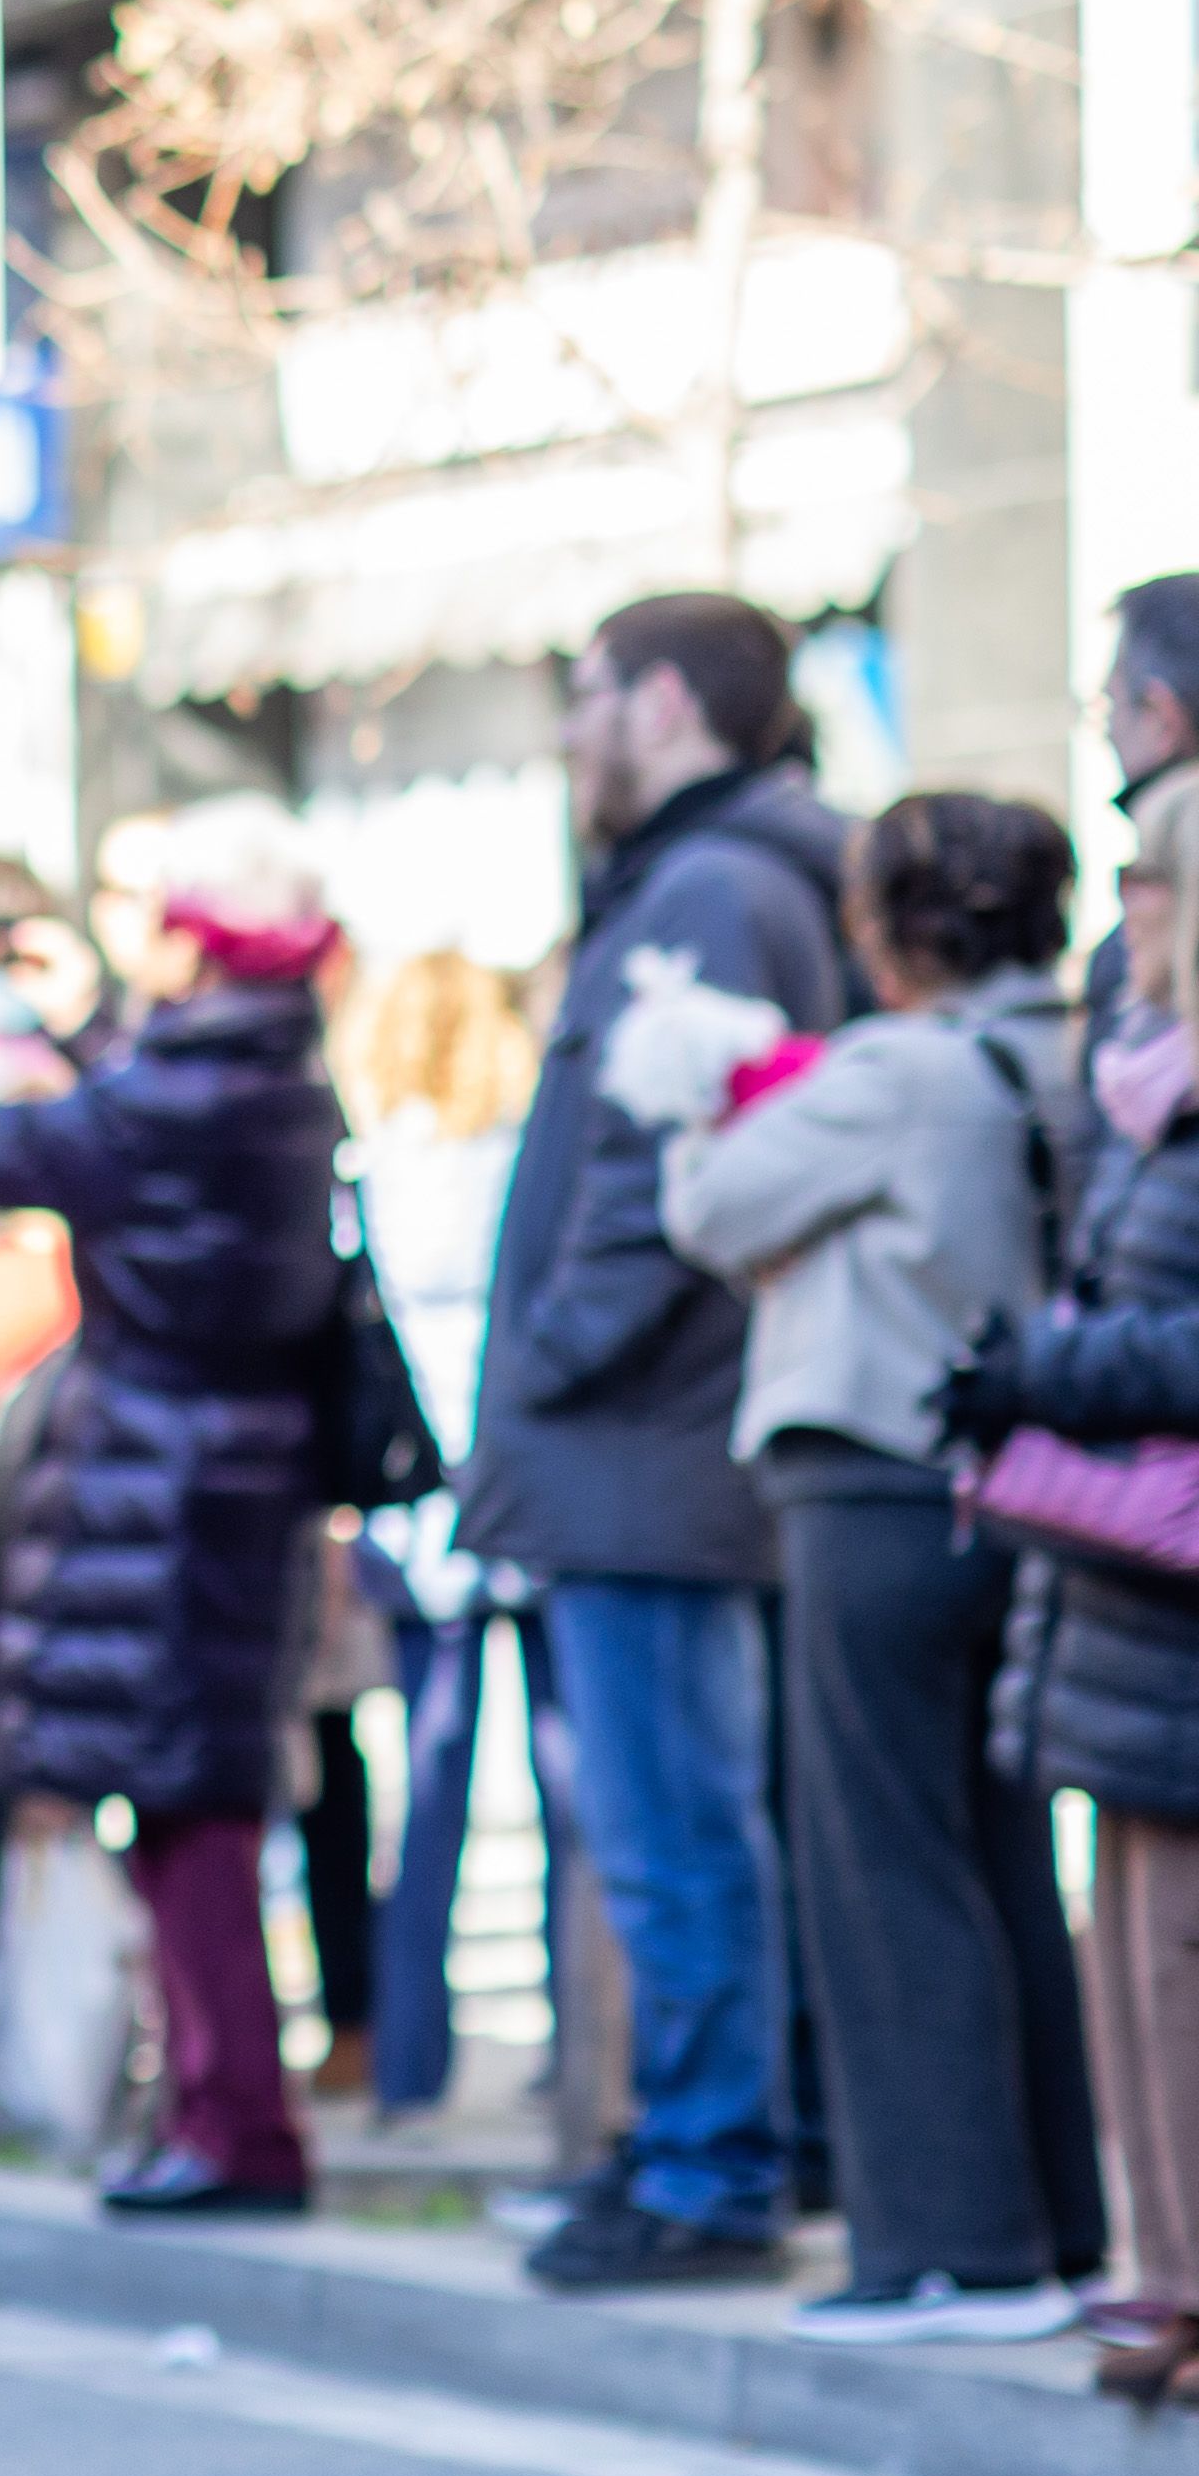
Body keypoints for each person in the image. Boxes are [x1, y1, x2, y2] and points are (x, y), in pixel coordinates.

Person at [643, 790, 1108, 2338]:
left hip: (871, 1484)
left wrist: (712, 1091)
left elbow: (710, 1205)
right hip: (1019, 1490)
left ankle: (941, 2248)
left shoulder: (896, 1071)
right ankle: (1053, 2225)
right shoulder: (1070, 1054)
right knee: (1000, 1861)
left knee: (879, 1861)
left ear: (891, 926)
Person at [0, 802, 355, 2213]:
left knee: (189, 1817)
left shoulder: (180, 1095)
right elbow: (120, 1138)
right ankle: (222, 2114)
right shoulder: (265, 1073)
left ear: (197, 945)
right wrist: (85, 1040)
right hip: (226, 1476)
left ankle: (236, 2128)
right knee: (202, 1806)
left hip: (166, 1486)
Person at [471, 591, 853, 2289]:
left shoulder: (709, 888)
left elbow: (654, 1184)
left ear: (668, 705)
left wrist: (548, 1363)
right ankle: (710, 2140)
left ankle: (711, 2165)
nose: (569, 737)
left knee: (679, 1823)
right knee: (699, 1816)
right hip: (670, 1446)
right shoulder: (734, 872)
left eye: (588, 698)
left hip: (647, 1450)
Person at [955, 772, 1199, 2400]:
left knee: (1174, 1935)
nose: (1132, 918)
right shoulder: (1137, 1082)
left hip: (1169, 1563)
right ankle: (1159, 2267)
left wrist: (1057, 1365)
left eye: (1156, 884)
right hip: (1121, 1566)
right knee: (1125, 1927)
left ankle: (1182, 2283)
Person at [339, 945, 548, 2121]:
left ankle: (410, 2063)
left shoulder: (371, 1176)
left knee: (425, 1791)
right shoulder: (521, 1166)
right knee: (572, 1789)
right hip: (524, 1493)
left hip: (415, 1505)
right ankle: (582, 2057)